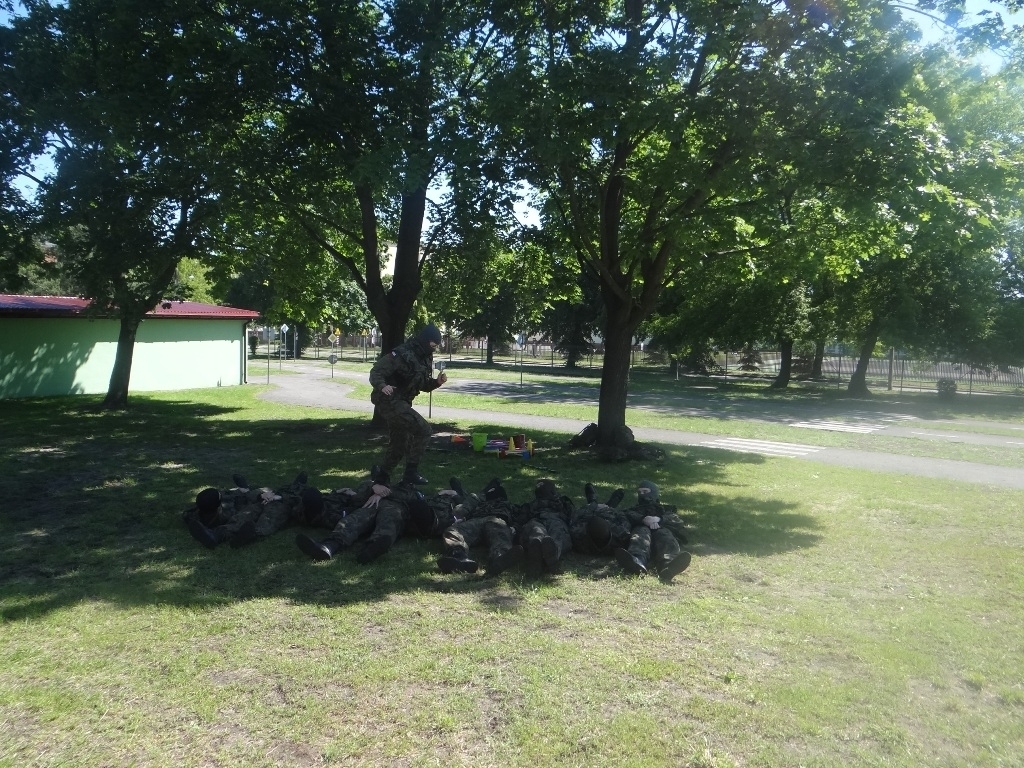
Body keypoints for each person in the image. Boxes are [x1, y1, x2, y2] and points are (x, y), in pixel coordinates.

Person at [293, 473, 438, 564]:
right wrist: (373, 489)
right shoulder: (371, 484)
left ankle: (371, 549)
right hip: (369, 505)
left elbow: (415, 502)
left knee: (389, 522)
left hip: (396, 507)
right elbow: (356, 499)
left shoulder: (412, 491)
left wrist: (385, 493)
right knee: (352, 520)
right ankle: (329, 547)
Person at [368, 323, 447, 486]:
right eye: (433, 345)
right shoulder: (402, 354)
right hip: (389, 401)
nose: (434, 349)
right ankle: (410, 473)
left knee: (400, 443)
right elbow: (376, 372)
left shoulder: (425, 357)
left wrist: (436, 383)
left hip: (402, 402)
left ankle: (382, 477)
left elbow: (422, 384)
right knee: (424, 430)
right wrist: (382, 386)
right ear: (425, 341)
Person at [182, 472, 314, 549]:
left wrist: (262, 496)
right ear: (218, 507)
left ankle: (219, 535)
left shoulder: (193, 513)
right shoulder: (227, 510)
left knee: (256, 509)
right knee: (267, 511)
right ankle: (251, 533)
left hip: (270, 500)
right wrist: (273, 497)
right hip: (278, 502)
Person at [436, 478, 526, 577]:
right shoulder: (479, 503)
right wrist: (463, 518)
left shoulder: (510, 506)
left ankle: (499, 559)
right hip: (476, 520)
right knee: (453, 531)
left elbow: (521, 518)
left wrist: (514, 527)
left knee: (500, 536)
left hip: (496, 520)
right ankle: (458, 556)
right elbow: (462, 510)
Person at [613, 481, 692, 584]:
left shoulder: (665, 509)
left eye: (645, 491)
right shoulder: (633, 510)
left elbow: (677, 520)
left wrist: (659, 519)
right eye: (640, 492)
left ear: (653, 492)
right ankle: (637, 561)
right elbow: (624, 516)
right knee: (641, 532)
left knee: (664, 534)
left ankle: (668, 565)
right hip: (641, 532)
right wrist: (643, 519)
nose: (642, 494)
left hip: (660, 532)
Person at [515, 479, 575, 574]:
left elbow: (573, 519)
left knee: (554, 531)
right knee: (537, 531)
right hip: (538, 520)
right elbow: (520, 522)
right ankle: (538, 552)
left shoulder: (563, 503)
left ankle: (550, 554)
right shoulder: (529, 506)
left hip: (555, 520)